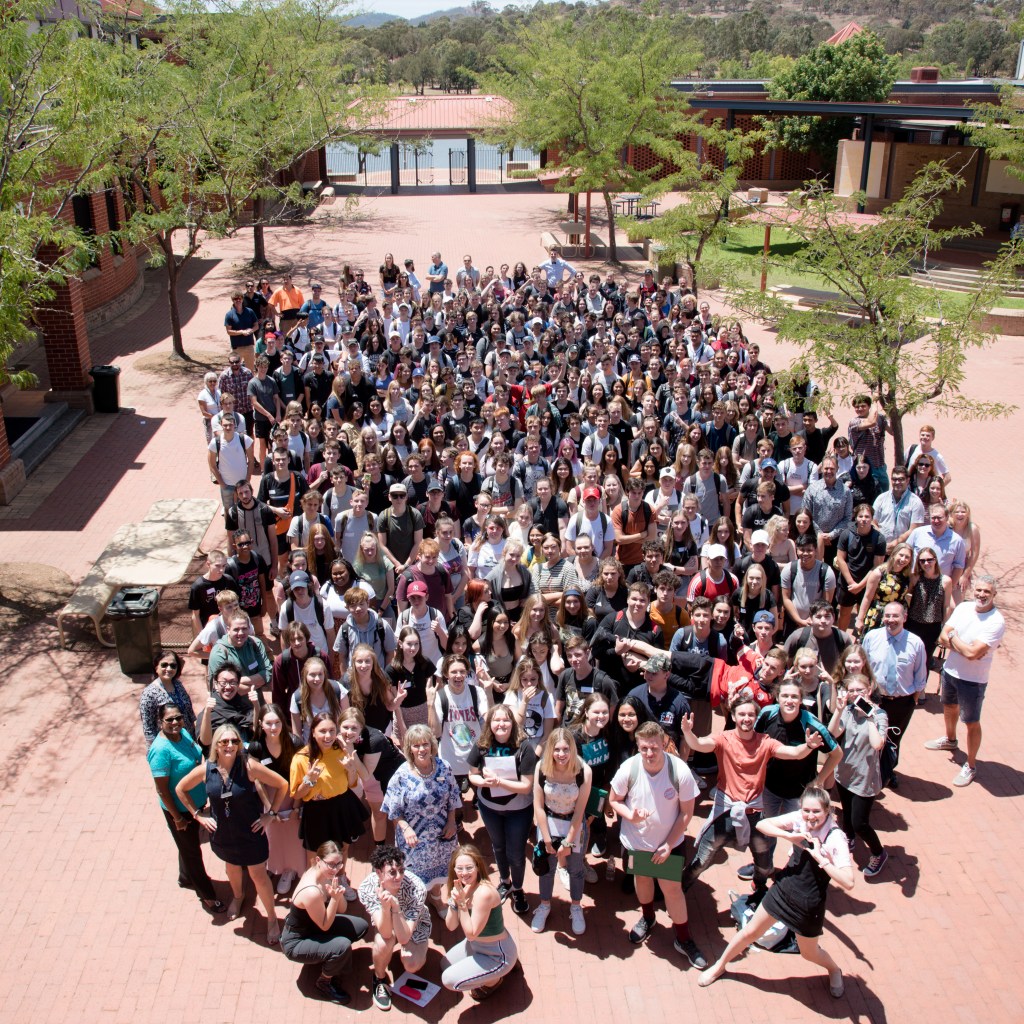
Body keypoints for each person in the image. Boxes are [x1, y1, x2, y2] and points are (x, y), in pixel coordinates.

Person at [697, 786, 853, 999]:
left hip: (809, 903)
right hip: (783, 889)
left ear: (827, 810)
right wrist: (790, 836)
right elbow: (762, 824)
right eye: (806, 810)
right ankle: (719, 966)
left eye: (816, 811)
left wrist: (822, 859)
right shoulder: (800, 819)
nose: (810, 816)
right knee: (750, 932)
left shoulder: (836, 838)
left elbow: (848, 881)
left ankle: (834, 970)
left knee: (809, 953)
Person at [681, 693, 826, 905]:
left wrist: (809, 746)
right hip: (726, 810)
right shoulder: (724, 739)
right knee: (702, 860)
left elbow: (794, 753)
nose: (746, 718)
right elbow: (700, 744)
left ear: (756, 717)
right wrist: (687, 732)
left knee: (764, 864)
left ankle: (759, 887)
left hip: (756, 814)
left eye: (750, 715)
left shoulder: (765, 742)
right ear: (733, 716)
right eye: (742, 714)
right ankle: (681, 887)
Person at [175, 723, 289, 943]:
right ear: (216, 745)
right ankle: (238, 897)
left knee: (258, 875)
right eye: (224, 741)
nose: (230, 745)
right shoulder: (207, 769)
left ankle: (272, 918)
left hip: (250, 833)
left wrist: (270, 814)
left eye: (234, 741)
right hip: (223, 835)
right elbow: (181, 788)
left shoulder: (249, 766)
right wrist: (198, 815)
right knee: (232, 868)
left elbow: (282, 785)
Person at [608, 721, 705, 966]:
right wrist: (630, 816)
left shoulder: (679, 771)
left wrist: (668, 845)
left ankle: (683, 938)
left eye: (654, 747)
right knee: (642, 880)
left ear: (663, 744)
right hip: (636, 842)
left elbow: (686, 813)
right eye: (644, 748)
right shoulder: (629, 769)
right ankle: (648, 917)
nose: (649, 753)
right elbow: (614, 799)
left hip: (667, 845)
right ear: (638, 746)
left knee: (672, 890)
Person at [925, 576, 1005, 787]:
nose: (981, 594)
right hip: (950, 671)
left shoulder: (996, 621)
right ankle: (950, 740)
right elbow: (942, 637)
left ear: (994, 594)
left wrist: (953, 638)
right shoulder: (963, 608)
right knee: (949, 707)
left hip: (973, 681)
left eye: (986, 591)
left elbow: (972, 653)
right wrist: (961, 645)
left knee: (971, 722)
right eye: (979, 590)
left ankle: (971, 765)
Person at [147, 704, 223, 913]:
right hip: (180, 810)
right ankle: (207, 895)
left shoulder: (183, 734)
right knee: (192, 853)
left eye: (178, 717)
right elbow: (162, 790)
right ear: (160, 722)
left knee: (188, 845)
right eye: (169, 720)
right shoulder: (160, 751)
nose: (175, 722)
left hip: (195, 801)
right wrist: (177, 818)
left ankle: (185, 877)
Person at [466, 705, 538, 917]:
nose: (501, 724)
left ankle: (518, 888)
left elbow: (526, 786)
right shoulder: (482, 744)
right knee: (498, 846)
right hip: (490, 808)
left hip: (519, 810)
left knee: (516, 853)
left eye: (506, 720)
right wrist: (485, 783)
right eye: (496, 720)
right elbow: (472, 774)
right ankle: (505, 881)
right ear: (490, 723)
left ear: (512, 723)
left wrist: (499, 782)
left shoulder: (524, 747)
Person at [280, 840, 370, 1005]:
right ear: (318, 860)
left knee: (360, 926)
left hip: (314, 927)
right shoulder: (312, 891)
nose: (335, 869)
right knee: (342, 946)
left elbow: (342, 909)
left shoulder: (325, 874)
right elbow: (325, 925)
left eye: (338, 864)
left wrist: (338, 895)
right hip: (297, 940)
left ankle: (328, 956)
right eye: (330, 864)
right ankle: (324, 982)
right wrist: (334, 899)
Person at [382, 723, 461, 903]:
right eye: (416, 745)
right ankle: (415, 904)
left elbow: (453, 796)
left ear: (432, 745)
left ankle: (436, 898)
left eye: (425, 744)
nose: (421, 749)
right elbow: (393, 809)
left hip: (441, 834)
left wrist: (451, 821)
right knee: (413, 876)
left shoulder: (444, 767)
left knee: (440, 872)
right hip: (414, 838)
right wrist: (406, 829)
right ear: (409, 749)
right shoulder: (401, 774)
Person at [289, 714, 369, 880]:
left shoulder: (341, 751)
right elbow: (297, 794)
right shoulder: (301, 758)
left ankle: (341, 879)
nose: (328, 736)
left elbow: (351, 784)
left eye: (332, 731)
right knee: (315, 854)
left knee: (343, 849)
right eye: (322, 731)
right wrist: (309, 780)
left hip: (342, 806)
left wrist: (351, 770)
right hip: (316, 811)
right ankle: (317, 885)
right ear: (313, 732)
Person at [530, 729, 592, 936]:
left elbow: (580, 811)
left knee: (575, 868)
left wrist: (568, 842)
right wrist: (547, 840)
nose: (561, 754)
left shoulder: (584, 771)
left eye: (566, 749)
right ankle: (545, 905)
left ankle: (576, 906)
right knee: (546, 868)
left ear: (572, 749)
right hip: (549, 822)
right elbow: (538, 806)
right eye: (557, 749)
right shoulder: (541, 768)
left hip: (574, 824)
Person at [358, 843, 431, 1012]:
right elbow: (385, 932)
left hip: (412, 924)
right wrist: (386, 908)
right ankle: (379, 979)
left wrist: (396, 908)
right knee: (383, 942)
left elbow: (404, 937)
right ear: (379, 873)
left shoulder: (417, 888)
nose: (399, 876)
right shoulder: (366, 888)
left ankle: (414, 948)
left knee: (412, 964)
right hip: (387, 922)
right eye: (392, 872)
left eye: (401, 870)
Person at [828, 674, 889, 877]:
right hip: (844, 772)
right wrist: (838, 710)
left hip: (865, 778)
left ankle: (878, 853)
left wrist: (870, 718)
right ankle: (849, 838)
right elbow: (833, 733)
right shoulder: (848, 710)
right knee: (846, 812)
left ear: (869, 690)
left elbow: (877, 744)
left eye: (859, 690)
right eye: (851, 691)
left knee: (859, 823)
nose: (855, 694)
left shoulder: (879, 715)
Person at [440, 844, 519, 999]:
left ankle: (494, 980)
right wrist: (454, 903)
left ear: (477, 867)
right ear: (454, 869)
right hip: (476, 946)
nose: (464, 873)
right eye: (459, 868)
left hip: (495, 953)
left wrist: (461, 903)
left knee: (449, 980)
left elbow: (471, 934)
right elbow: (451, 926)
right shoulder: (461, 887)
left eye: (469, 868)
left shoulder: (484, 893)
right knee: (445, 965)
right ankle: (496, 969)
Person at [862, 602, 927, 778]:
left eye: (895, 616)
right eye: (887, 615)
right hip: (875, 699)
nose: (890, 620)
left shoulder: (915, 643)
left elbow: (920, 676)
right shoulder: (871, 637)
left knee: (893, 740)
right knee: (870, 736)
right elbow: (863, 668)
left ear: (904, 617)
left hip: (902, 702)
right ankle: (868, 773)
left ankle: (887, 774)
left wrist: (912, 700)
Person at [249, 703, 306, 895]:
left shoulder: (295, 743)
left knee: (293, 835)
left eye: (277, 722)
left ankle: (292, 869)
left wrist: (296, 807)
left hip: (293, 795)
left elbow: (302, 776)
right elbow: (257, 780)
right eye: (268, 723)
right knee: (274, 835)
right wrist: (270, 810)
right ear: (260, 724)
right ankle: (279, 866)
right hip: (269, 797)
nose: (273, 727)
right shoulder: (256, 747)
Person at [139, 650, 196, 746]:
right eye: (164, 665)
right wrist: (154, 749)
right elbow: (148, 727)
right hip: (168, 744)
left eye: (173, 666)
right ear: (156, 667)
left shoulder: (178, 684)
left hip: (187, 740)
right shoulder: (149, 694)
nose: (169, 669)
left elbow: (189, 712)